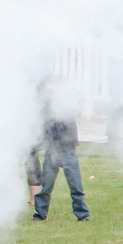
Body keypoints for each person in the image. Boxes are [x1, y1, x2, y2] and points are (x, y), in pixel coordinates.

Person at [33, 77, 90, 222]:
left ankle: (83, 215)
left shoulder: (69, 103)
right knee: (45, 188)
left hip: (68, 150)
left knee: (76, 188)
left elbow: (78, 105)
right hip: (52, 151)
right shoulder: (46, 102)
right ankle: (40, 215)